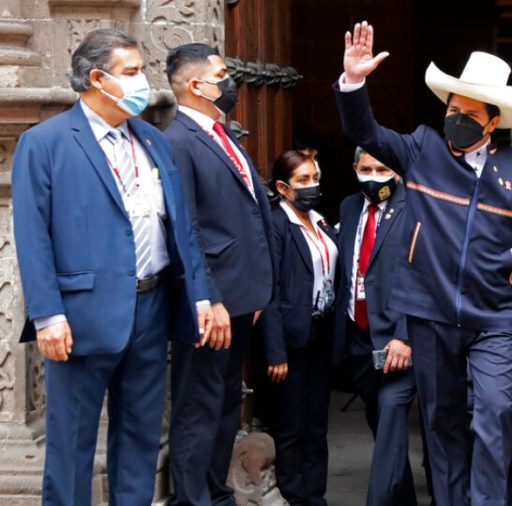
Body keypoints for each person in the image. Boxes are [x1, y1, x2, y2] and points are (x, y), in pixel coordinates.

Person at [333, 22, 512, 505]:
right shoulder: (422, 148)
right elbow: (363, 130)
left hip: (495, 316)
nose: (458, 119)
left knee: (494, 412)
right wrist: (353, 83)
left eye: (470, 114)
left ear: (493, 122)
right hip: (429, 314)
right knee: (442, 421)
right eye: (453, 109)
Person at [11, 28, 210, 504]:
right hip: (79, 318)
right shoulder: (46, 142)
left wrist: (199, 294)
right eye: (132, 72)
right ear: (98, 78)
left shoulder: (153, 139)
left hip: (151, 306)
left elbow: (181, 224)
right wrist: (48, 316)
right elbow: (32, 238)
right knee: (71, 445)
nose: (144, 81)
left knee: (140, 440)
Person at [164, 43, 276, 506]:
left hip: (242, 298)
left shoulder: (222, 135)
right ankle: (190, 499)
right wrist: (210, 297)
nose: (231, 82)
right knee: (199, 405)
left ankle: (216, 490)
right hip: (212, 305)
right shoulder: (177, 141)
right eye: (223, 73)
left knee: (227, 402)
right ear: (196, 85)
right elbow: (184, 226)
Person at [333, 147, 419, 505]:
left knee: (390, 412)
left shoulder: (415, 207)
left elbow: (422, 276)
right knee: (382, 421)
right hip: (358, 335)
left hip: (398, 340)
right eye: (366, 168)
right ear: (355, 168)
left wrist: (404, 336)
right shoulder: (349, 207)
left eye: (382, 169)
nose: (373, 176)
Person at [259, 150, 338, 505]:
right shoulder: (278, 225)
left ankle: (315, 495)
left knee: (316, 424)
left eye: (314, 179)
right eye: (302, 181)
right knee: (290, 426)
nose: (311, 187)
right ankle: (293, 495)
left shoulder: (320, 221)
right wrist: (275, 351)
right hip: (290, 341)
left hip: (320, 335)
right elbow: (269, 291)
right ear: (282, 187)